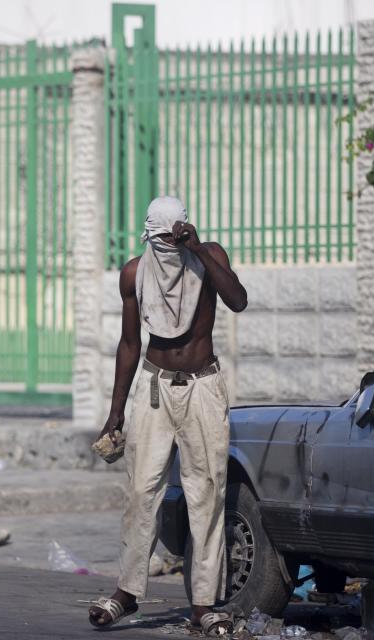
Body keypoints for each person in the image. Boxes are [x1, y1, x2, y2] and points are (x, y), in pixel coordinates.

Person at [88, 196, 248, 635]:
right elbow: (129, 344)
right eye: (162, 240)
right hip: (154, 386)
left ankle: (203, 603)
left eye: (175, 237)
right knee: (142, 489)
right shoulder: (135, 273)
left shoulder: (208, 257)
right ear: (149, 237)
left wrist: (195, 248)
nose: (169, 246)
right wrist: (115, 411)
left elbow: (238, 300)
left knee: (206, 492)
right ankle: (127, 591)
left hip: (202, 387)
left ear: (187, 230)